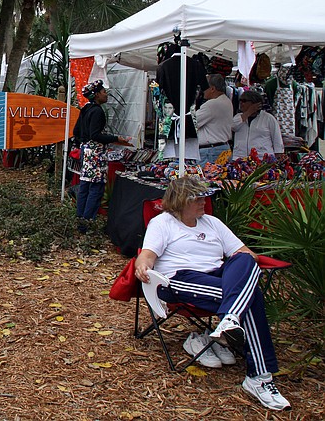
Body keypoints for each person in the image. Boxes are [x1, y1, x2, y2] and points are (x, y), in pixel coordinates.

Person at [134, 176, 290, 411]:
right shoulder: (162, 223)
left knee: (245, 258)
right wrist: (141, 265)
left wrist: (243, 262)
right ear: (180, 201)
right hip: (179, 279)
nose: (204, 201)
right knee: (252, 295)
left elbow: (244, 253)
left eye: (205, 196)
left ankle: (230, 319)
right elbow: (147, 255)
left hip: (218, 276)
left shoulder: (213, 223)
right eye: (197, 198)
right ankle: (259, 376)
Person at [72, 80, 130, 228]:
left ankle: (80, 220)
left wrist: (84, 144)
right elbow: (95, 135)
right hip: (96, 154)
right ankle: (88, 223)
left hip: (86, 151)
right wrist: (116, 138)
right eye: (103, 92)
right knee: (96, 188)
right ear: (97, 94)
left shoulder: (85, 109)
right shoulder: (97, 111)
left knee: (85, 185)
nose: (106, 94)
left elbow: (76, 132)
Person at [231, 90, 284, 159]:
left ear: (254, 103)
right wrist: (248, 112)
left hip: (262, 159)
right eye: (240, 101)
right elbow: (233, 126)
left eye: (244, 101)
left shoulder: (268, 118)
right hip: (240, 158)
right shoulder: (238, 117)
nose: (241, 103)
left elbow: (277, 142)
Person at [196, 74, 234, 164]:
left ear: (212, 89)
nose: (202, 91)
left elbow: (191, 123)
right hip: (220, 148)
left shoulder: (212, 104)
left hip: (211, 151)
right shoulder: (226, 101)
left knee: (207, 177)